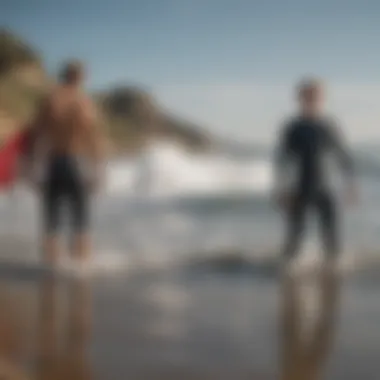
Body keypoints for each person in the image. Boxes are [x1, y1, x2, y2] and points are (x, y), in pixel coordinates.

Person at [28, 60, 105, 270]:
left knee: (51, 223)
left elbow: (35, 135)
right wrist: (99, 170)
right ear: (79, 77)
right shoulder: (82, 102)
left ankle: (50, 272)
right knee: (81, 221)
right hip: (76, 162)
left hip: (53, 164)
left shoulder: (50, 99)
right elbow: (93, 137)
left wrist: (32, 167)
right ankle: (80, 272)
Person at [273, 78, 356, 269]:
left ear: (322, 99)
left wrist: (351, 185)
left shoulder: (328, 126)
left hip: (325, 187)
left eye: (316, 96)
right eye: (308, 96)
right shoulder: (293, 128)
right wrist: (282, 189)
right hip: (299, 187)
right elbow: (282, 161)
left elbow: (343, 156)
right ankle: (289, 274)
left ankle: (332, 272)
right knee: (294, 236)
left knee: (331, 236)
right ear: (300, 99)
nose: (312, 99)